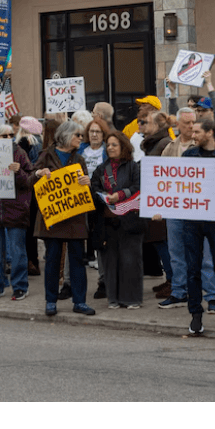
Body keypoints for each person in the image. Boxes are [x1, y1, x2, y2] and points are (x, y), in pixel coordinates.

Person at [170, 110, 215, 337]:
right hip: (192, 220)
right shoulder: (189, 156)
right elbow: (181, 185)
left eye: (197, 131)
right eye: (192, 131)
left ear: (210, 132)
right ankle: (195, 315)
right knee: (193, 269)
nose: (193, 135)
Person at [33, 120, 97, 317]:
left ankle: (80, 301)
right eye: (77, 135)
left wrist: (87, 182)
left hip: (75, 219)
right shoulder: (46, 155)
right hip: (53, 219)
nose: (81, 138)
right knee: (52, 261)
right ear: (66, 136)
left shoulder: (79, 159)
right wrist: (39, 173)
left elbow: (86, 188)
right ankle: (50, 301)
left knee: (77, 261)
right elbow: (29, 181)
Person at [0, 118, 38, 301]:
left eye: (12, 135)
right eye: (5, 135)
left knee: (17, 250)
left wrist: (19, 171)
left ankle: (20, 286)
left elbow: (29, 181)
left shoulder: (19, 153)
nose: (9, 138)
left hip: (15, 210)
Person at [87, 127, 144, 307]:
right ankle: (113, 299)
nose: (110, 147)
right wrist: (102, 195)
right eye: (108, 145)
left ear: (123, 146)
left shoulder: (134, 167)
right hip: (107, 221)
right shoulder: (100, 169)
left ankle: (131, 299)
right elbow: (94, 188)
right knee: (110, 262)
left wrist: (120, 195)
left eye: (114, 144)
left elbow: (139, 187)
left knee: (130, 261)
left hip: (130, 220)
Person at [135, 108, 179, 300]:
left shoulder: (164, 143)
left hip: (161, 200)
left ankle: (174, 281)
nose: (142, 125)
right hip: (154, 198)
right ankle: (170, 278)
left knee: (164, 242)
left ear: (157, 126)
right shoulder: (154, 143)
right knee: (158, 240)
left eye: (146, 122)